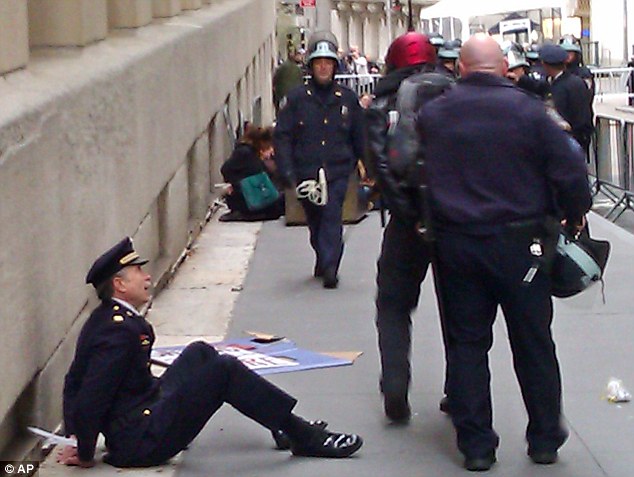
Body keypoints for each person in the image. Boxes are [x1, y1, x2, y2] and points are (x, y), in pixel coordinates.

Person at [417, 34, 592, 471]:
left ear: (460, 67)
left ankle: (477, 444)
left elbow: (414, 170)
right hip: (522, 246)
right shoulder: (529, 113)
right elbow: (571, 170)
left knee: (468, 344)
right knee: (533, 341)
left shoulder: (435, 115)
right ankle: (544, 437)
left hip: (458, 242)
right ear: (501, 67)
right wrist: (574, 214)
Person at [58, 238, 363, 468]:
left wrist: (74, 434)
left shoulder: (108, 319)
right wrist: (85, 450)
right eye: (139, 271)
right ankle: (303, 435)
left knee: (200, 353)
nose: (147, 277)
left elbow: (74, 379)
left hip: (144, 412)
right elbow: (91, 393)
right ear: (119, 284)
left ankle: (278, 422)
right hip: (140, 441)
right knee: (224, 370)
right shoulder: (118, 331)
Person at [365, 31, 452, 423]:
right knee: (460, 309)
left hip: (407, 221)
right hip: (454, 218)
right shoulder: (455, 93)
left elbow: (381, 165)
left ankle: (396, 383)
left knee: (394, 303)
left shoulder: (383, 103)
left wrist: (407, 215)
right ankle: (461, 389)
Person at [274, 31, 365, 289]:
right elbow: (283, 136)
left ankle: (330, 266)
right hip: (307, 171)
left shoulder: (347, 98)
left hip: (337, 169)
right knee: (315, 219)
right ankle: (322, 255)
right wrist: (287, 171)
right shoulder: (296, 99)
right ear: (311, 66)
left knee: (332, 216)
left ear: (335, 66)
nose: (323, 67)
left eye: (328, 63)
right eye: (318, 63)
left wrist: (364, 164)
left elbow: (359, 134)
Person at [220, 127, 284, 222]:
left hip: (251, 192)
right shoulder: (245, 153)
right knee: (277, 206)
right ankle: (243, 214)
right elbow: (226, 169)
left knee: (279, 202)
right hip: (246, 196)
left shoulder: (252, 153)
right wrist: (235, 185)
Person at [540, 44, 594, 157]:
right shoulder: (554, 81)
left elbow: (581, 115)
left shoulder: (573, 84)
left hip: (571, 139)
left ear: (545, 64)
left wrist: (578, 136)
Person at [273, 48, 305, 115]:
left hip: (282, 96)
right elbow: (301, 84)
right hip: (294, 96)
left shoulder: (282, 67)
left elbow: (275, 80)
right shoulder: (298, 70)